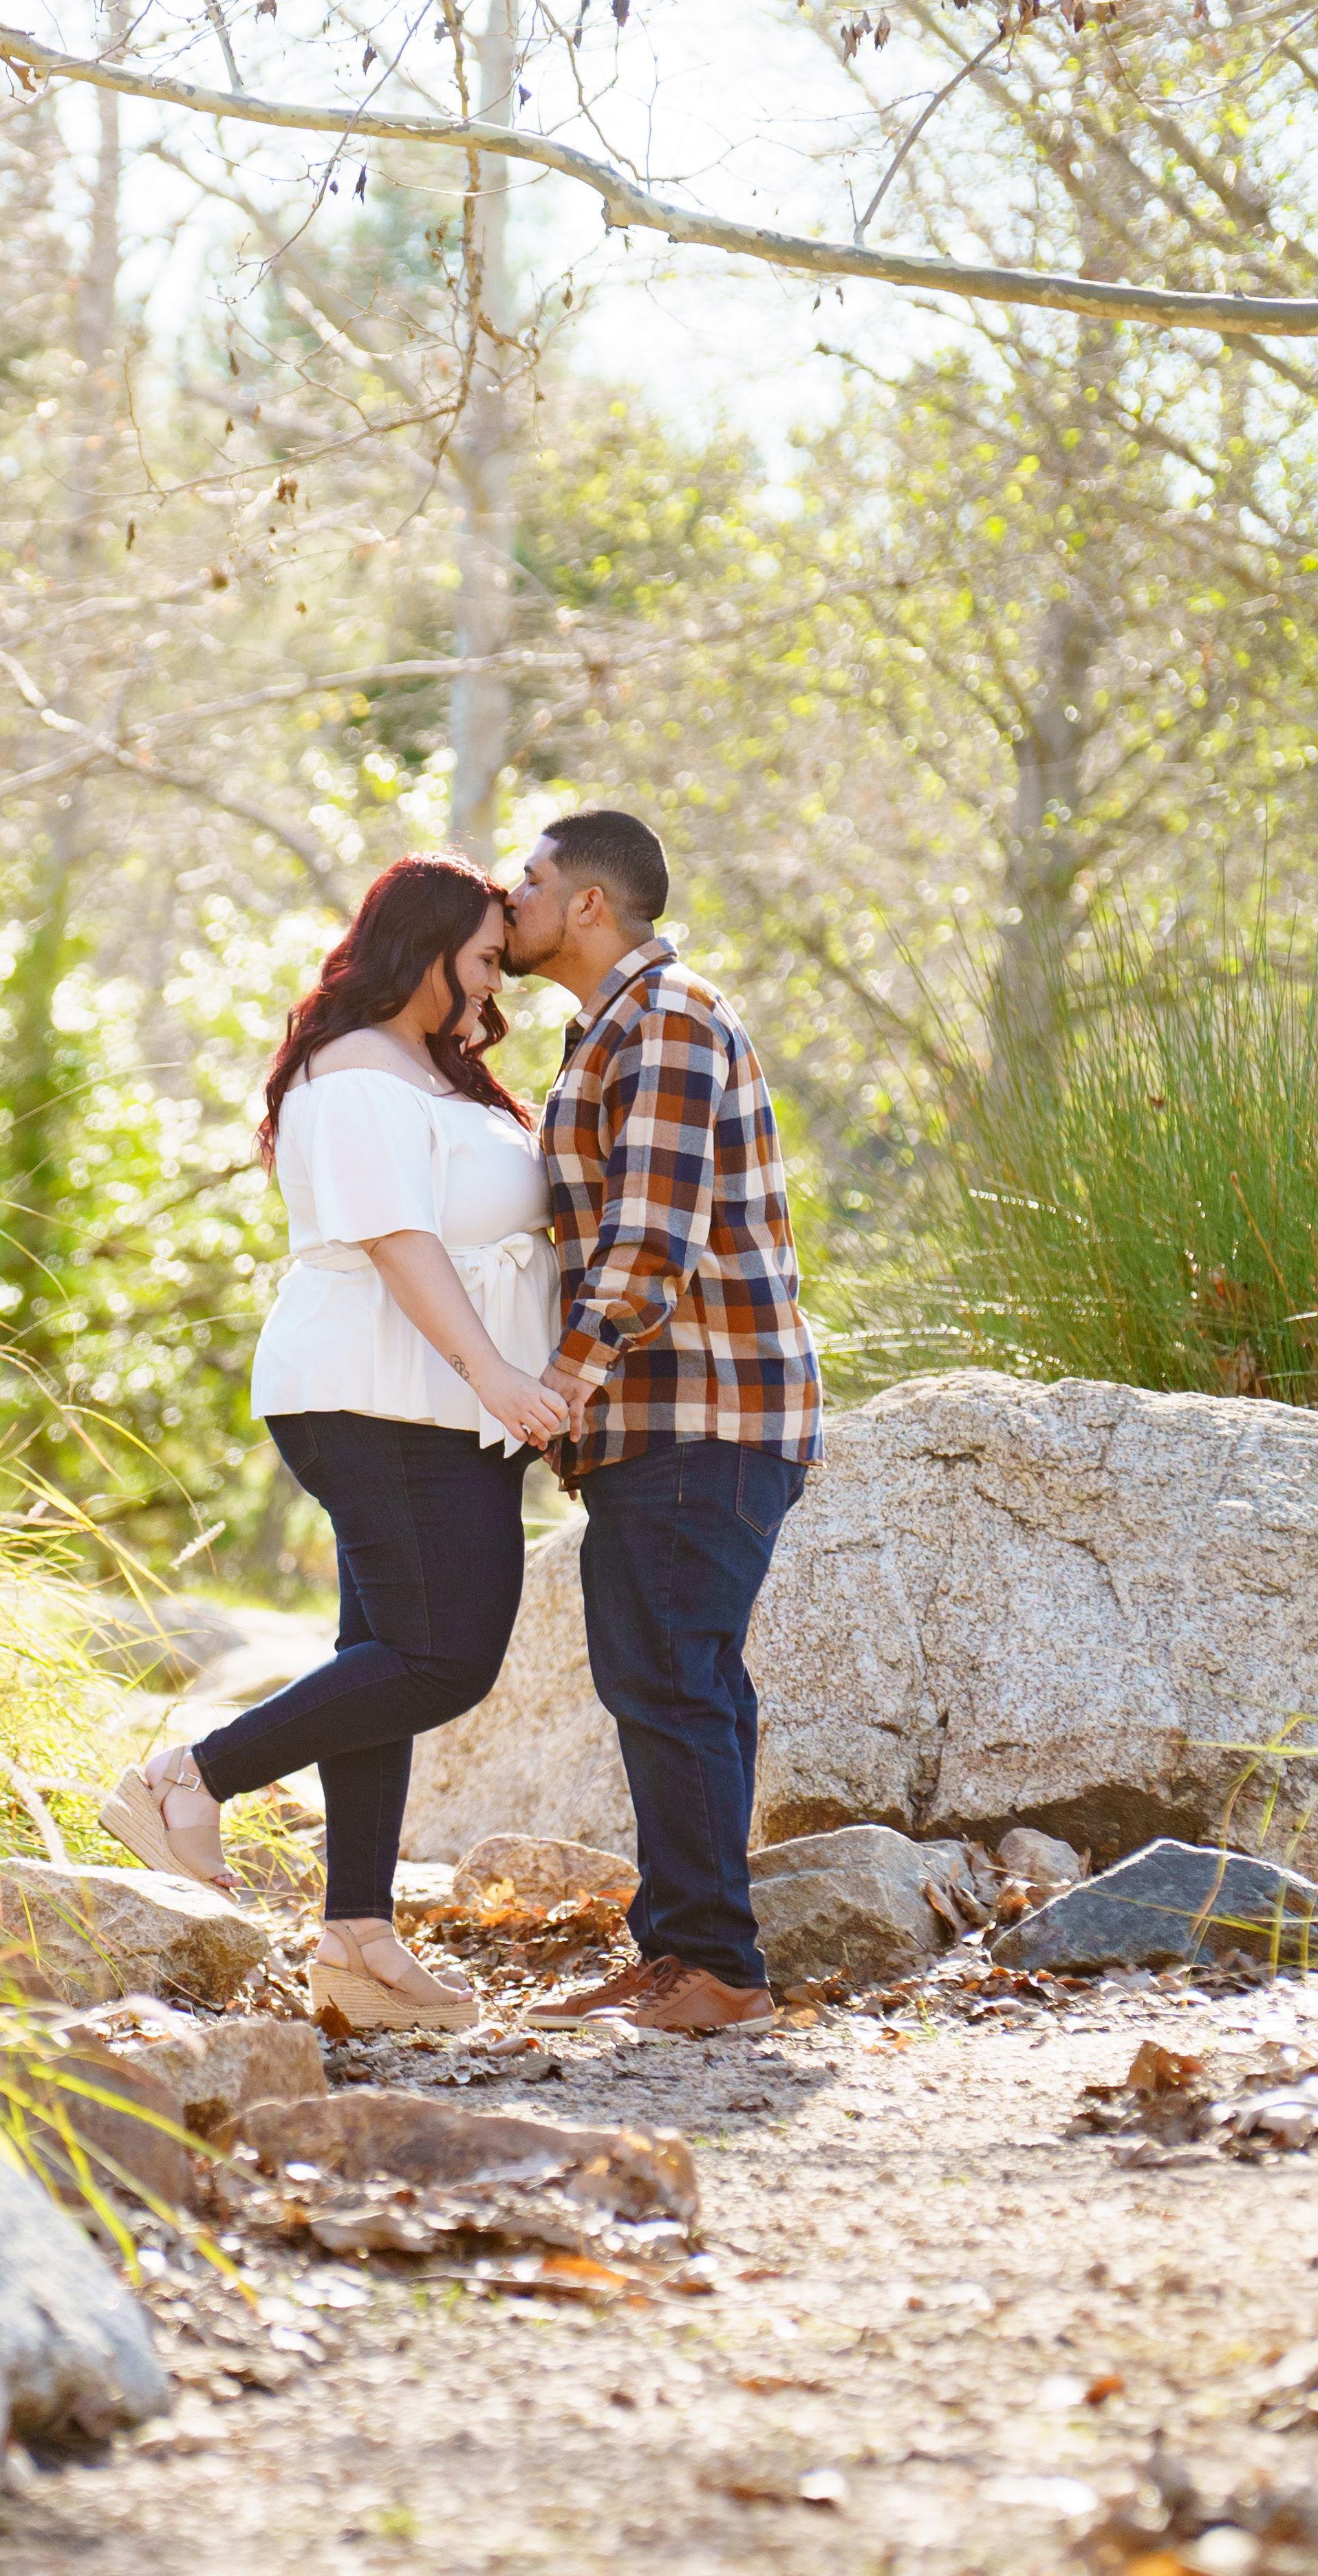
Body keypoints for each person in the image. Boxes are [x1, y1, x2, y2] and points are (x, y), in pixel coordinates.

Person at [98, 855, 570, 2033]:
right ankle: (187, 1778)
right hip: (375, 1396)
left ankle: (359, 1941)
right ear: (423, 949)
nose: (492, 984)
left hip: (435, 1407)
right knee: (443, 1660)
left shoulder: (430, 1070)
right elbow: (399, 1240)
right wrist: (497, 1373)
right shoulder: (355, 1072)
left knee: (385, 1659)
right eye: (481, 961)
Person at [492, 808, 825, 2034]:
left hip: (705, 1411)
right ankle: (687, 1948)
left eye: (528, 881)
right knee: (681, 1680)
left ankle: (719, 1970)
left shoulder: (668, 1019)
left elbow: (648, 1248)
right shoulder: (609, 1030)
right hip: (664, 1419)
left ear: (588, 903)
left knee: (671, 1678)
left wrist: (557, 1387)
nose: (510, 899)